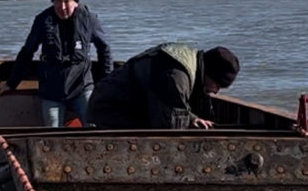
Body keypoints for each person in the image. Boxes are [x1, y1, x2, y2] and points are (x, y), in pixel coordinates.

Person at [0, 0, 113, 127]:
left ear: (75, 3)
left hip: (81, 86)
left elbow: (104, 49)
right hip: (52, 90)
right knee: (52, 130)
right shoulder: (43, 20)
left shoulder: (89, 20)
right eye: (58, 1)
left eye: (66, 2)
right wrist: (12, 83)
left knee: (94, 126)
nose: (62, 7)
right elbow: (27, 52)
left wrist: (107, 82)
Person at [85, 42, 240, 129]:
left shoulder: (187, 59)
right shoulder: (176, 77)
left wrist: (192, 118)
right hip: (110, 110)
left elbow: (172, 107)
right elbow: (170, 127)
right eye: (218, 85)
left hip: (112, 102)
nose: (216, 91)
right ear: (209, 74)